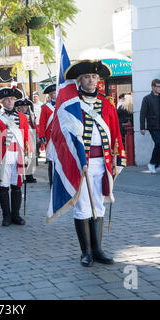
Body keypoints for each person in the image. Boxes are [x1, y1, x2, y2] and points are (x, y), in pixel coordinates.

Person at [64, 60, 126, 267]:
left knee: (98, 204)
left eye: (94, 77)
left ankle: (98, 250)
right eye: (87, 77)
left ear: (98, 80)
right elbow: (66, 134)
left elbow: (116, 132)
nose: (92, 80)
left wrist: (118, 159)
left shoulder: (107, 103)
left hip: (104, 161)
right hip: (83, 162)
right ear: (80, 80)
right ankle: (86, 252)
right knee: (83, 204)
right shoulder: (72, 105)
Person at [0, 86, 30, 226]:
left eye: (12, 99)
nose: (10, 102)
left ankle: (16, 215)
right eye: (7, 100)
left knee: (17, 185)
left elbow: (25, 137)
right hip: (3, 155)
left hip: (17, 154)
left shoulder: (22, 117)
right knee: (4, 185)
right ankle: (6, 216)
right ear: (1, 102)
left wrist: (27, 153)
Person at [15, 97, 38, 183]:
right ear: (18, 108)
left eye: (25, 106)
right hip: (22, 137)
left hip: (31, 136)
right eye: (22, 107)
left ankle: (29, 175)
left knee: (31, 157)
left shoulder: (31, 115)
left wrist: (37, 135)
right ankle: (23, 175)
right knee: (22, 156)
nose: (24, 108)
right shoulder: (16, 116)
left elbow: (34, 125)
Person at [140, 79, 160, 174]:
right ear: (153, 87)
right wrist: (142, 127)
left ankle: (157, 164)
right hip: (153, 125)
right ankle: (152, 163)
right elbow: (142, 114)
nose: (159, 88)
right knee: (159, 143)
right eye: (157, 86)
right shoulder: (147, 98)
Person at [39, 83, 57, 188]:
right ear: (49, 95)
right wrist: (42, 135)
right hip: (50, 137)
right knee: (51, 160)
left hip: (61, 137)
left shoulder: (62, 104)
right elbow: (42, 122)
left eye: (56, 92)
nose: (55, 94)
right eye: (53, 93)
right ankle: (52, 182)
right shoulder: (45, 107)